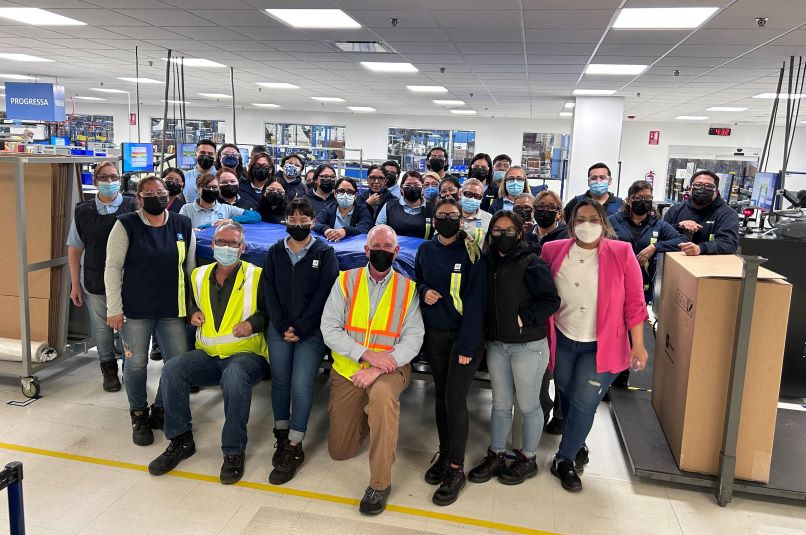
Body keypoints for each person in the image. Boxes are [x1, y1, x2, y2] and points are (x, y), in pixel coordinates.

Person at [147, 222, 269, 485]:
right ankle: (180, 441)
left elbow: (272, 313)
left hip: (246, 355)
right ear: (212, 245)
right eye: (221, 242)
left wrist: (253, 324)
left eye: (233, 243)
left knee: (235, 376)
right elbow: (191, 304)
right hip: (208, 354)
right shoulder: (198, 275)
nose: (226, 247)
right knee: (172, 369)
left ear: (242, 248)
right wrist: (192, 313)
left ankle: (233, 451)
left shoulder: (258, 275)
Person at [541, 199, 649, 492]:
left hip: (601, 345)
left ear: (604, 222)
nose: (586, 225)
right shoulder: (552, 251)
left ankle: (564, 459)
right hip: (562, 339)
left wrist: (638, 345)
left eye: (593, 219)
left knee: (584, 400)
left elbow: (635, 303)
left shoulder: (621, 252)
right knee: (565, 390)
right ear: (570, 223)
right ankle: (578, 439)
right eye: (579, 219)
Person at [320, 225, 425, 515]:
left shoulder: (408, 288)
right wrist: (365, 355)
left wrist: (378, 367)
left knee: (381, 400)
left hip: (391, 369)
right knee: (340, 452)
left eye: (387, 247)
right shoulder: (345, 281)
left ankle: (380, 484)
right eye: (375, 247)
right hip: (349, 369)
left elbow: (413, 339)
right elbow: (329, 328)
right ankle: (367, 419)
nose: (381, 252)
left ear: (396, 251)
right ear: (366, 251)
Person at [468, 211, 560, 487]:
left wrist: (524, 318)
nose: (502, 235)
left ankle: (527, 457)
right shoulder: (486, 261)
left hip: (527, 346)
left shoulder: (531, 262)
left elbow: (551, 300)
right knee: (500, 404)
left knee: (529, 405)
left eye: (509, 230)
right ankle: (496, 453)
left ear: (520, 233)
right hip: (497, 344)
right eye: (496, 230)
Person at [104, 176, 196, 446]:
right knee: (136, 365)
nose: (157, 196)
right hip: (136, 310)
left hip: (172, 308)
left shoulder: (182, 224)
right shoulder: (126, 225)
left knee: (176, 365)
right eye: (150, 193)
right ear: (139, 198)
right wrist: (114, 308)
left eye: (161, 192)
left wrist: (191, 307)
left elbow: (188, 269)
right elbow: (112, 268)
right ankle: (138, 414)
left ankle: (160, 408)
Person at [262, 199, 339, 485]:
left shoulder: (325, 252)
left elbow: (325, 294)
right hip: (280, 328)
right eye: (292, 220)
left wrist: (302, 327)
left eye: (303, 220)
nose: (297, 225)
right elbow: (269, 290)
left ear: (313, 220)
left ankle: (295, 444)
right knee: (280, 382)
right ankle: (281, 434)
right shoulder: (274, 252)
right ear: (285, 221)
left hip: (312, 330)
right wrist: (282, 325)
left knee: (301, 383)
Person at [415, 199, 486, 506]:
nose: (446, 219)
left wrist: (469, 345)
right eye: (441, 215)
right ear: (434, 219)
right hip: (436, 336)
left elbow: (476, 302)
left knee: (455, 400)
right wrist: (422, 290)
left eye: (452, 215)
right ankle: (445, 456)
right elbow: (418, 279)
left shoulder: (471, 252)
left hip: (464, 339)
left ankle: (457, 470)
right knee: (442, 398)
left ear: (461, 219)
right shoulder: (425, 250)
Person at [67, 161, 136, 391]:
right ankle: (108, 369)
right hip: (94, 279)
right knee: (102, 329)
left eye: (113, 177)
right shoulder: (83, 211)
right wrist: (75, 284)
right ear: (95, 180)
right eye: (104, 177)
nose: (109, 182)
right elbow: (75, 249)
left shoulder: (132, 206)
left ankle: (130, 367)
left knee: (129, 327)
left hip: (129, 279)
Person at [609, 180, 685, 389]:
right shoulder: (614, 221)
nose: (643, 202)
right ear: (628, 199)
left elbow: (679, 240)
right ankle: (610, 373)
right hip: (613, 285)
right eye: (638, 198)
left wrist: (656, 247)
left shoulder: (658, 225)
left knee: (634, 329)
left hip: (641, 287)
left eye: (647, 198)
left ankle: (623, 376)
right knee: (615, 330)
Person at [523, 190, 571, 435]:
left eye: (551, 207)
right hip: (533, 309)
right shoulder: (526, 236)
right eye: (540, 206)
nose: (545, 210)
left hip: (561, 309)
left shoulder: (567, 238)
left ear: (559, 211)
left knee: (561, 366)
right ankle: (541, 409)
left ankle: (562, 414)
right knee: (539, 367)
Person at [663, 170, 739, 256]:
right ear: (689, 189)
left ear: (717, 192)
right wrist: (679, 226)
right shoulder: (675, 210)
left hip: (709, 266)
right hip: (674, 263)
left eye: (709, 186)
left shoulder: (727, 214)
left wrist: (700, 248)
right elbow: (660, 234)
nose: (702, 189)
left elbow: (729, 244)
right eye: (698, 185)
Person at [179, 174, 260, 229]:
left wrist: (231, 220)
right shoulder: (187, 209)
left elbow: (255, 216)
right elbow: (179, 229)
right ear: (197, 189)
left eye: (214, 187)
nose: (211, 190)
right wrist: (192, 230)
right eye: (206, 187)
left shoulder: (226, 208)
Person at [376, 171, 434, 239]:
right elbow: (378, 231)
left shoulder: (432, 209)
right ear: (401, 188)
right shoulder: (389, 206)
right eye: (408, 185)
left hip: (423, 249)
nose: (412, 188)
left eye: (416, 185)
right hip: (395, 248)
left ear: (423, 187)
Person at [458, 178, 492, 245]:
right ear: (460, 194)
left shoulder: (489, 218)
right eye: (468, 194)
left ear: (481, 199)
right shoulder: (450, 215)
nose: (472, 199)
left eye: (477, 196)